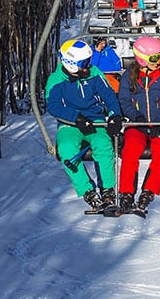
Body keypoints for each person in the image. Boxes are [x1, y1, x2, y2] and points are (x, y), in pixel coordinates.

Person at [44, 39, 124, 212]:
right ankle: (87, 191)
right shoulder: (56, 80)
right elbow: (53, 105)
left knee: (103, 145)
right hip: (70, 123)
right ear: (72, 65)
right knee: (66, 149)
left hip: (95, 120)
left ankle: (107, 189)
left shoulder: (94, 73)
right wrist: (76, 117)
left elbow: (109, 95)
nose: (89, 66)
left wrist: (114, 115)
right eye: (84, 63)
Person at [116, 36, 160, 213]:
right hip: (137, 124)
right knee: (131, 148)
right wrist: (136, 117)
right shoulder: (129, 77)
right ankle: (126, 193)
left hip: (159, 124)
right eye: (155, 58)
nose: (159, 62)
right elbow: (124, 100)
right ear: (142, 59)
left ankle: (148, 191)